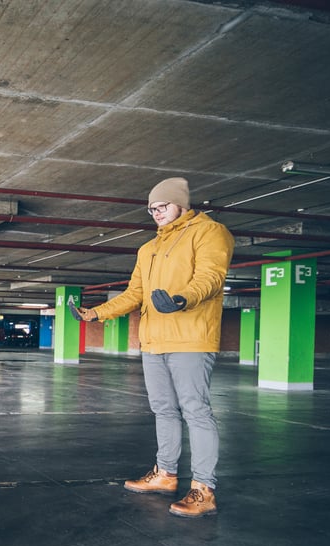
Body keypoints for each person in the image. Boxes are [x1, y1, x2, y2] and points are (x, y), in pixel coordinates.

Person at [73, 177, 234, 518]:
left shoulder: (209, 232)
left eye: (162, 206)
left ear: (181, 204)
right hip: (154, 340)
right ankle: (165, 474)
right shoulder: (148, 248)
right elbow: (135, 294)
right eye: (152, 209)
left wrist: (182, 298)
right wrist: (96, 313)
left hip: (191, 336)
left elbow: (211, 276)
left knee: (196, 411)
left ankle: (204, 489)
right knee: (163, 409)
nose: (156, 213)